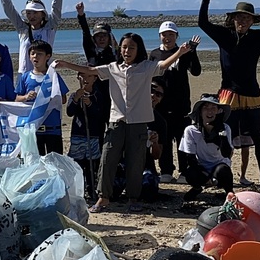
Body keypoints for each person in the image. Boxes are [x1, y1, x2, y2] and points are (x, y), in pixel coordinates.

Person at [54, 33, 194, 213]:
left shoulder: (146, 67)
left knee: (136, 161)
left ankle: (133, 198)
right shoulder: (113, 68)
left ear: (139, 50)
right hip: (116, 121)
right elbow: (91, 71)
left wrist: (180, 52)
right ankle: (103, 198)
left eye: (132, 47)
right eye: (124, 47)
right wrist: (66, 64)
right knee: (107, 158)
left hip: (138, 122)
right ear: (120, 49)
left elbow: (163, 65)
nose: (127, 51)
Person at [199, 0, 260, 186]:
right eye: (239, 17)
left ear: (252, 21)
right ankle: (224, 175)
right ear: (232, 19)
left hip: (251, 94)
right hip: (228, 94)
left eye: (247, 17)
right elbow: (203, 24)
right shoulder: (224, 35)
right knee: (225, 136)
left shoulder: (258, 37)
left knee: (258, 136)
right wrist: (206, 0)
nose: (242, 20)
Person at [149, 21, 202, 185]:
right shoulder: (154, 54)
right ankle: (165, 170)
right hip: (161, 105)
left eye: (171, 34)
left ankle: (184, 172)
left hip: (181, 104)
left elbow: (196, 71)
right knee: (164, 137)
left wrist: (192, 51)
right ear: (160, 36)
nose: (168, 38)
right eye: (164, 34)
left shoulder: (184, 52)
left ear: (176, 36)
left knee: (183, 139)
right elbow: (150, 76)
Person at [14, 40, 68, 155]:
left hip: (52, 128)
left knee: (55, 162)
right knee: (34, 164)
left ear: (47, 56)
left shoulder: (53, 76)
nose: (35, 57)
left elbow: (63, 99)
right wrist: (26, 97)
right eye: (33, 53)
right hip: (33, 128)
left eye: (39, 54)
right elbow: (17, 99)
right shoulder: (25, 77)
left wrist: (50, 98)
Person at [179, 93, 234, 201]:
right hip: (201, 166)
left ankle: (230, 192)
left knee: (224, 171)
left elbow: (227, 154)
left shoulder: (225, 128)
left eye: (213, 108)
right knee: (190, 174)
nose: (210, 111)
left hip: (219, 164)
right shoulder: (191, 130)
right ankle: (197, 188)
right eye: (206, 108)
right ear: (200, 112)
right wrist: (205, 176)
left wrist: (221, 134)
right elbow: (190, 157)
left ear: (219, 111)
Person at [66, 70, 110, 201]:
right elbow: (69, 112)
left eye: (89, 75)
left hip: (93, 136)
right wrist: (75, 99)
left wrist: (90, 104)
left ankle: (92, 189)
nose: (85, 78)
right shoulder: (75, 94)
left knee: (92, 165)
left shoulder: (97, 95)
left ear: (95, 78)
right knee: (77, 164)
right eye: (82, 75)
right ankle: (79, 190)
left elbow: (100, 114)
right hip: (78, 135)